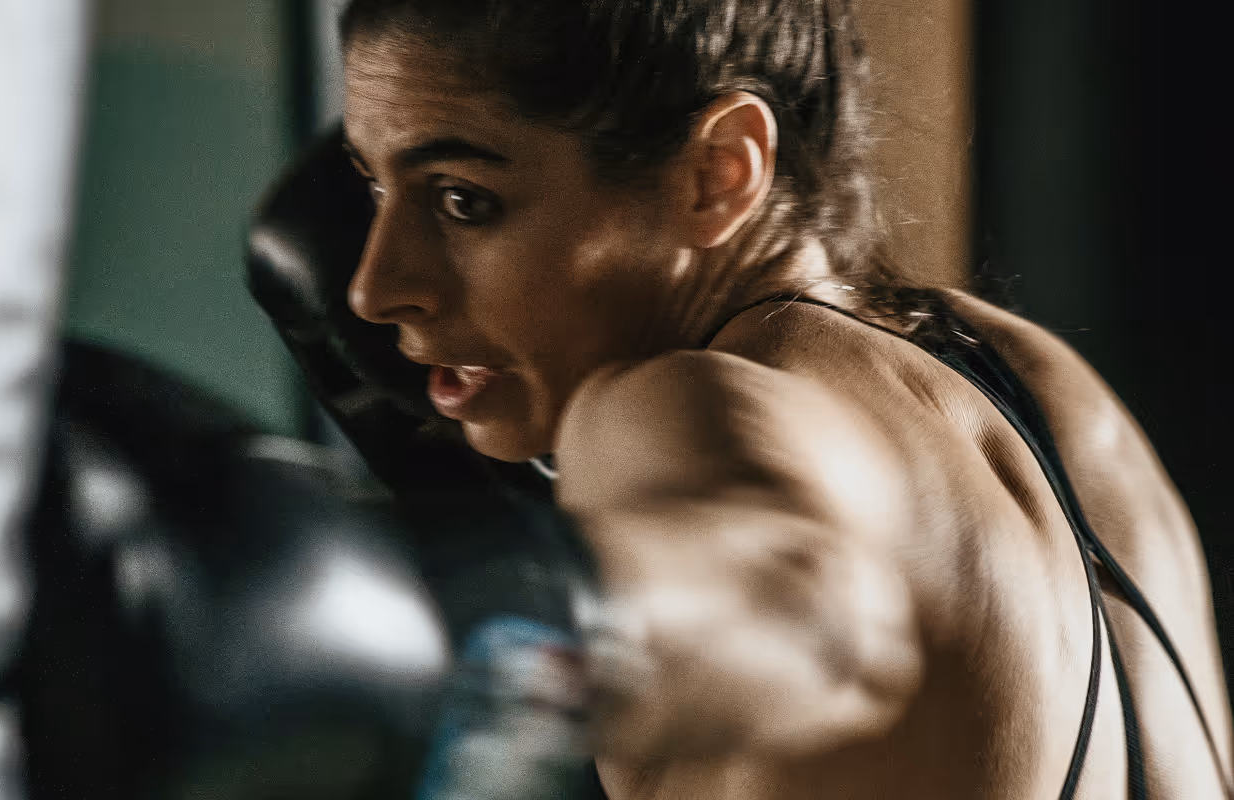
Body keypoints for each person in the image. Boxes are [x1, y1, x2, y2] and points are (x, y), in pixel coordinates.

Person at [330, 0, 1234, 797]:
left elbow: (801, 599)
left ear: (720, 171)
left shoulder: (674, 400)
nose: (375, 288)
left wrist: (374, 627)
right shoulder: (1050, 393)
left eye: (462, 199)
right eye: (373, 186)